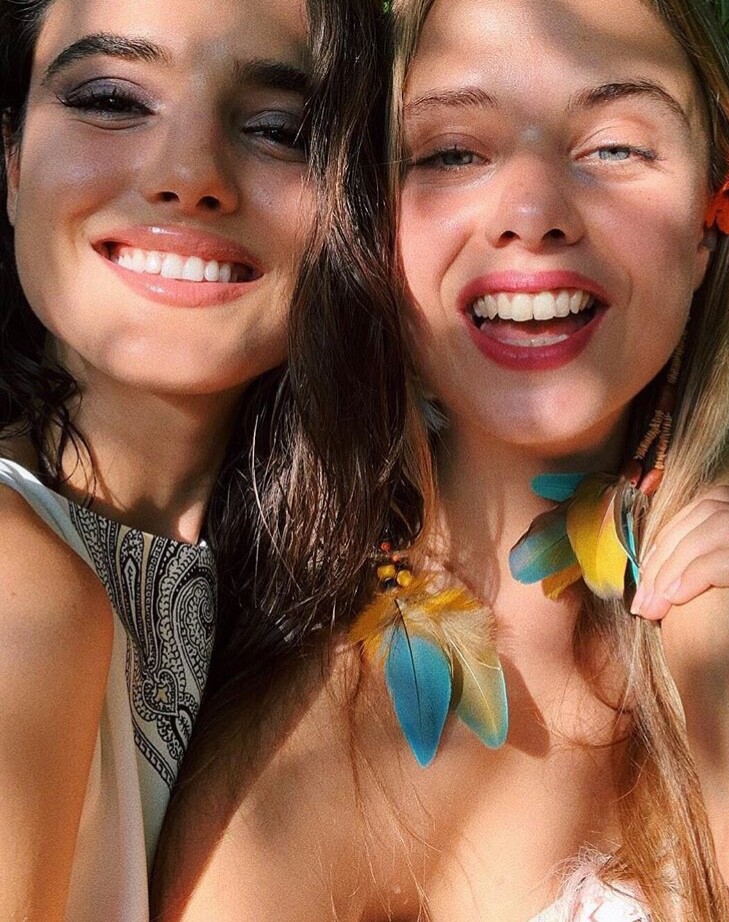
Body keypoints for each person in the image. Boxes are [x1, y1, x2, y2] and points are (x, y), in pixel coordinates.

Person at [152, 1, 729, 920]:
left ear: (715, 212)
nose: (533, 214)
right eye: (452, 153)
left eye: (616, 147)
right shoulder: (307, 764)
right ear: (370, 229)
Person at [0, 0, 412, 919]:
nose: (190, 177)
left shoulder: (342, 596)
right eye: (111, 99)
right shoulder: (16, 592)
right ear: (12, 162)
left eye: (280, 129)